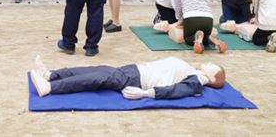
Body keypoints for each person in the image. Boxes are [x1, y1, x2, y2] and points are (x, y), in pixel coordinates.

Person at [29, 56, 225, 99]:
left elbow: (177, 91)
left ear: (212, 76)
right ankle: (52, 75)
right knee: (93, 70)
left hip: (136, 80)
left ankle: (49, 87)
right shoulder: (195, 72)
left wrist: (146, 93)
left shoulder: (198, 80)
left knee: (94, 78)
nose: (207, 63)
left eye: (211, 66)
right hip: (135, 71)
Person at [153, 0, 227, 54]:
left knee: (187, 39)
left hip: (190, 17)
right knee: (205, 38)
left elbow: (177, 5)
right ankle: (209, 38)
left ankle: (198, 37)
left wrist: (180, 20)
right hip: (208, 17)